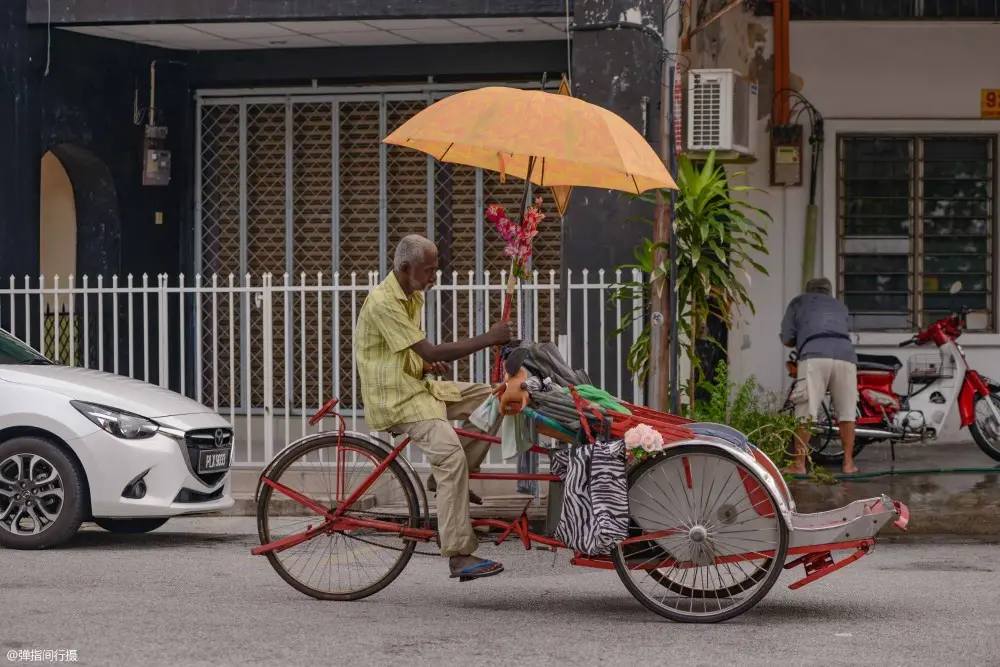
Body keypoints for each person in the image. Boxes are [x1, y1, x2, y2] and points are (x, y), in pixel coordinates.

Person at [355, 234, 515, 582]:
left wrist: (425, 366)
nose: (433, 278)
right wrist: (488, 338)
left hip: (418, 387)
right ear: (406, 268)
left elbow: (410, 351)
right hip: (398, 398)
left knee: (498, 395)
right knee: (451, 457)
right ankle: (459, 555)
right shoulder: (384, 302)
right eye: (428, 271)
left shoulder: (411, 295)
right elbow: (428, 349)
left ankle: (444, 482)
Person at [780, 277, 859, 475]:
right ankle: (848, 464)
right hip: (845, 356)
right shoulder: (840, 306)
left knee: (805, 411)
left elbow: (787, 338)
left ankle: (799, 465)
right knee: (847, 413)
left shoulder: (798, 302)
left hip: (814, 356)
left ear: (808, 290)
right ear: (829, 291)